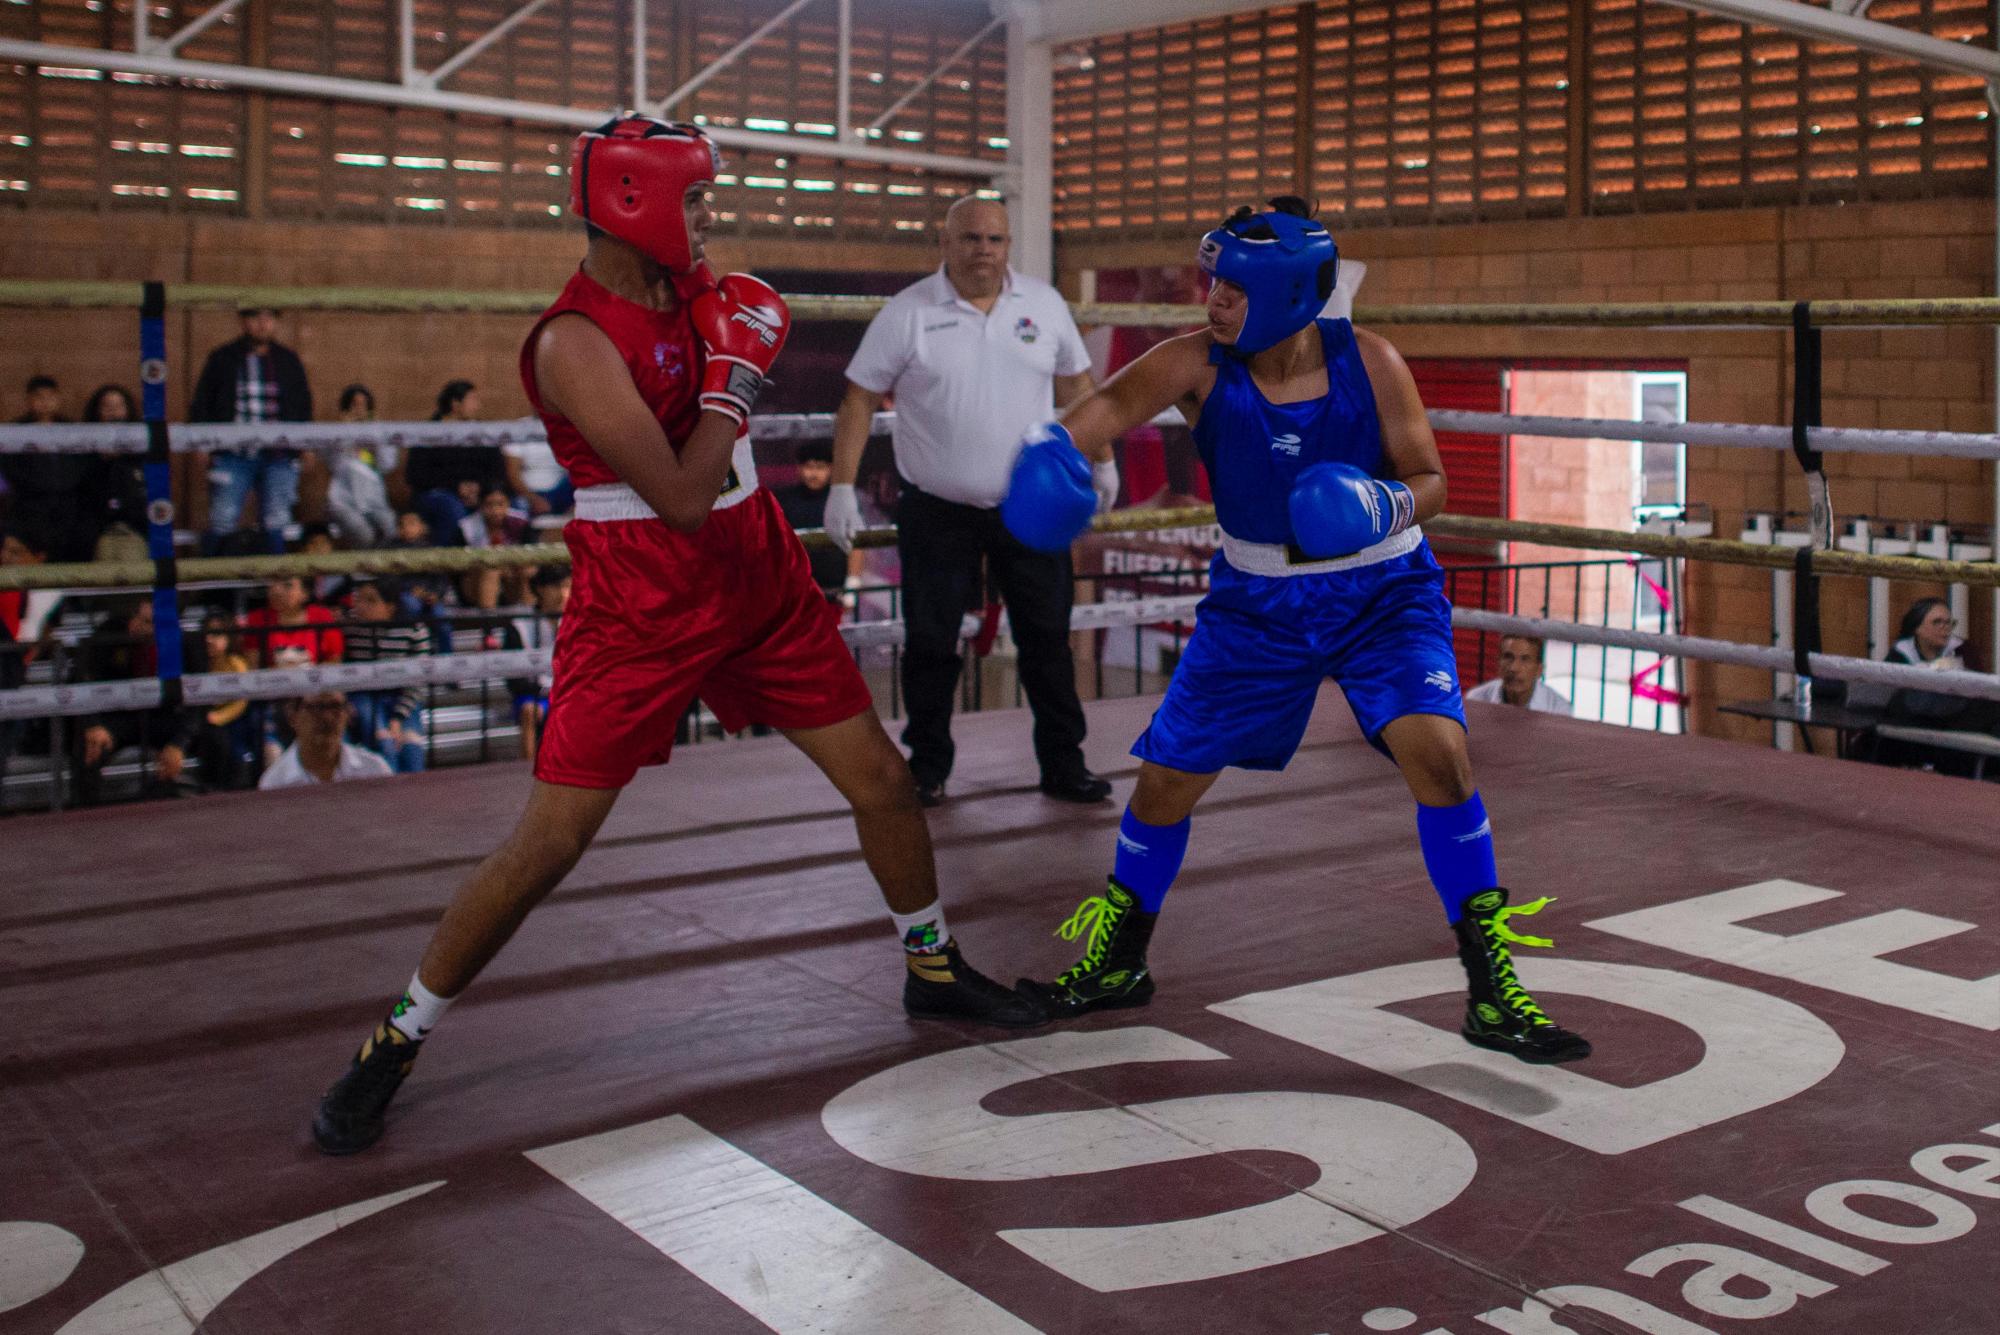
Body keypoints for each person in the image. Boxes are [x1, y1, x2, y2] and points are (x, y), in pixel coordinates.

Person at [310, 115, 1044, 1158]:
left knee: (881, 781)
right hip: (642, 597)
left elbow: (722, 489)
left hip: (760, 573)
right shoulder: (574, 343)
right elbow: (680, 495)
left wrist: (728, 372)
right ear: (632, 203)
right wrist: (737, 380)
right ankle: (394, 1039)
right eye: (694, 199)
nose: (709, 217)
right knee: (549, 843)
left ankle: (929, 968)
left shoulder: (700, 293)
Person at [1001, 196, 1590, 1066]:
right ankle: (1120, 960)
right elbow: (1090, 420)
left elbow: (1429, 479)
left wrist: (1379, 502)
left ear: (1283, 293)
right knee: (1162, 784)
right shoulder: (1195, 363)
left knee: (1441, 753)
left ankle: (1492, 985)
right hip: (1257, 604)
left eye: (1232, 287)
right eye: (1213, 282)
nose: (1213, 300)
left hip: (1382, 588)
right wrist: (1050, 461)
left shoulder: (1374, 362)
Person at [826, 195, 1111, 809]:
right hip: (938, 508)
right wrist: (841, 486)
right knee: (931, 641)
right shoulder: (908, 312)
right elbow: (857, 398)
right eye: (972, 238)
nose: (984, 250)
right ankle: (926, 768)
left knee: (1047, 639)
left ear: (1009, 245)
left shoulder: (1044, 304)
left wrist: (1104, 459)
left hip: (1030, 506)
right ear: (946, 242)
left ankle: (1064, 765)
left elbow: (1078, 386)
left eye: (996, 240)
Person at [190, 306, 313, 555]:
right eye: (255, 317)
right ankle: (210, 587)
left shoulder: (288, 360)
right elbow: (203, 401)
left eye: (269, 317)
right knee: (222, 517)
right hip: (232, 452)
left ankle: (276, 586)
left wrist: (306, 444)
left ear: (276, 322)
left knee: (276, 520)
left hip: (279, 454)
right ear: (243, 321)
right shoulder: (223, 357)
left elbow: (303, 404)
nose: (262, 323)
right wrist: (201, 443)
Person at [69, 598, 196, 805]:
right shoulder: (109, 633)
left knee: (215, 738)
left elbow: (198, 700)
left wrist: (179, 743)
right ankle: (84, 815)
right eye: (140, 619)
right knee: (88, 749)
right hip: (117, 718)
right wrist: (93, 723)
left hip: (161, 717)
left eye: (151, 624)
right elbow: (82, 677)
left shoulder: (184, 644)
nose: (141, 628)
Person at [1875, 597, 1999, 772]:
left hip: (1959, 719)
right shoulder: (1900, 655)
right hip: (1918, 719)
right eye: (1937, 622)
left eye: (1949, 623)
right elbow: (1893, 699)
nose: (1945, 628)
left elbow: (1979, 688)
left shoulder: (1964, 650)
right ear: (1917, 627)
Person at [343, 578, 433, 773]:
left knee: (411, 749)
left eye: (371, 601)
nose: (361, 606)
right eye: (358, 600)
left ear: (390, 606)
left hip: (402, 696)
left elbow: (418, 681)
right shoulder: (350, 628)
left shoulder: (414, 630)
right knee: (384, 744)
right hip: (364, 695)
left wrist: (398, 717)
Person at [400, 380, 505, 544]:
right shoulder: (427, 434)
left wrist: (479, 488)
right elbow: (415, 475)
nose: (477, 405)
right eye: (473, 400)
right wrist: (456, 487)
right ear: (456, 404)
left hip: (478, 494)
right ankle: (448, 565)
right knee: (450, 506)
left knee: (514, 506)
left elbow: (497, 469)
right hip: (436, 495)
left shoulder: (481, 433)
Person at [2, 375, 94, 560]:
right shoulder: (14, 433)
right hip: (29, 507)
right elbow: (11, 472)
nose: (45, 402)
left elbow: (83, 468)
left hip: (70, 507)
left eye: (50, 397)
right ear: (28, 400)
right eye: (39, 397)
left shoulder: (73, 430)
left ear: (58, 399)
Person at [772, 440, 863, 597]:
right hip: (794, 589)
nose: (814, 474)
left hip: (835, 590)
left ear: (831, 468)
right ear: (799, 468)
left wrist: (852, 583)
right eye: (808, 467)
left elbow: (856, 543)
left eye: (820, 467)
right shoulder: (783, 501)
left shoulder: (840, 501)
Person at [258, 692, 395, 790]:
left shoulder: (374, 770)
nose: (327, 718)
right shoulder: (275, 783)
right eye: (316, 708)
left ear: (347, 715)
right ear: (293, 717)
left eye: (335, 707)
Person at [504, 566, 569, 759]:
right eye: (557, 587)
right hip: (534, 694)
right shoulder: (520, 625)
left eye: (569, 587)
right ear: (540, 589)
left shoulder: (580, 622)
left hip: (568, 693)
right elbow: (513, 679)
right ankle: (528, 768)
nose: (564, 594)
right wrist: (544, 693)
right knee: (528, 710)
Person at [191, 612, 256, 791]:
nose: (210, 639)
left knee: (228, 744)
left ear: (229, 638)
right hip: (206, 719)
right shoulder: (199, 664)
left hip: (234, 719)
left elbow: (241, 701)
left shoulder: (236, 663)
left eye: (217, 634)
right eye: (206, 634)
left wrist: (219, 717)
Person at [327, 384, 397, 548]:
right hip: (343, 501)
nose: (359, 410)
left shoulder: (379, 433)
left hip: (374, 499)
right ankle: (361, 574)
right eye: (354, 405)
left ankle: (384, 572)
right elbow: (334, 463)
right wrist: (346, 431)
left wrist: (376, 440)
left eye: (364, 405)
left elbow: (388, 465)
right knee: (363, 533)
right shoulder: (333, 434)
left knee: (390, 528)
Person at [1464, 635, 1570, 715]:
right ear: (1498, 663)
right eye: (1508, 657)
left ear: (1539, 670)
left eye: (1525, 659)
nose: (1514, 668)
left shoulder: (1558, 709)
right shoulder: (1476, 699)